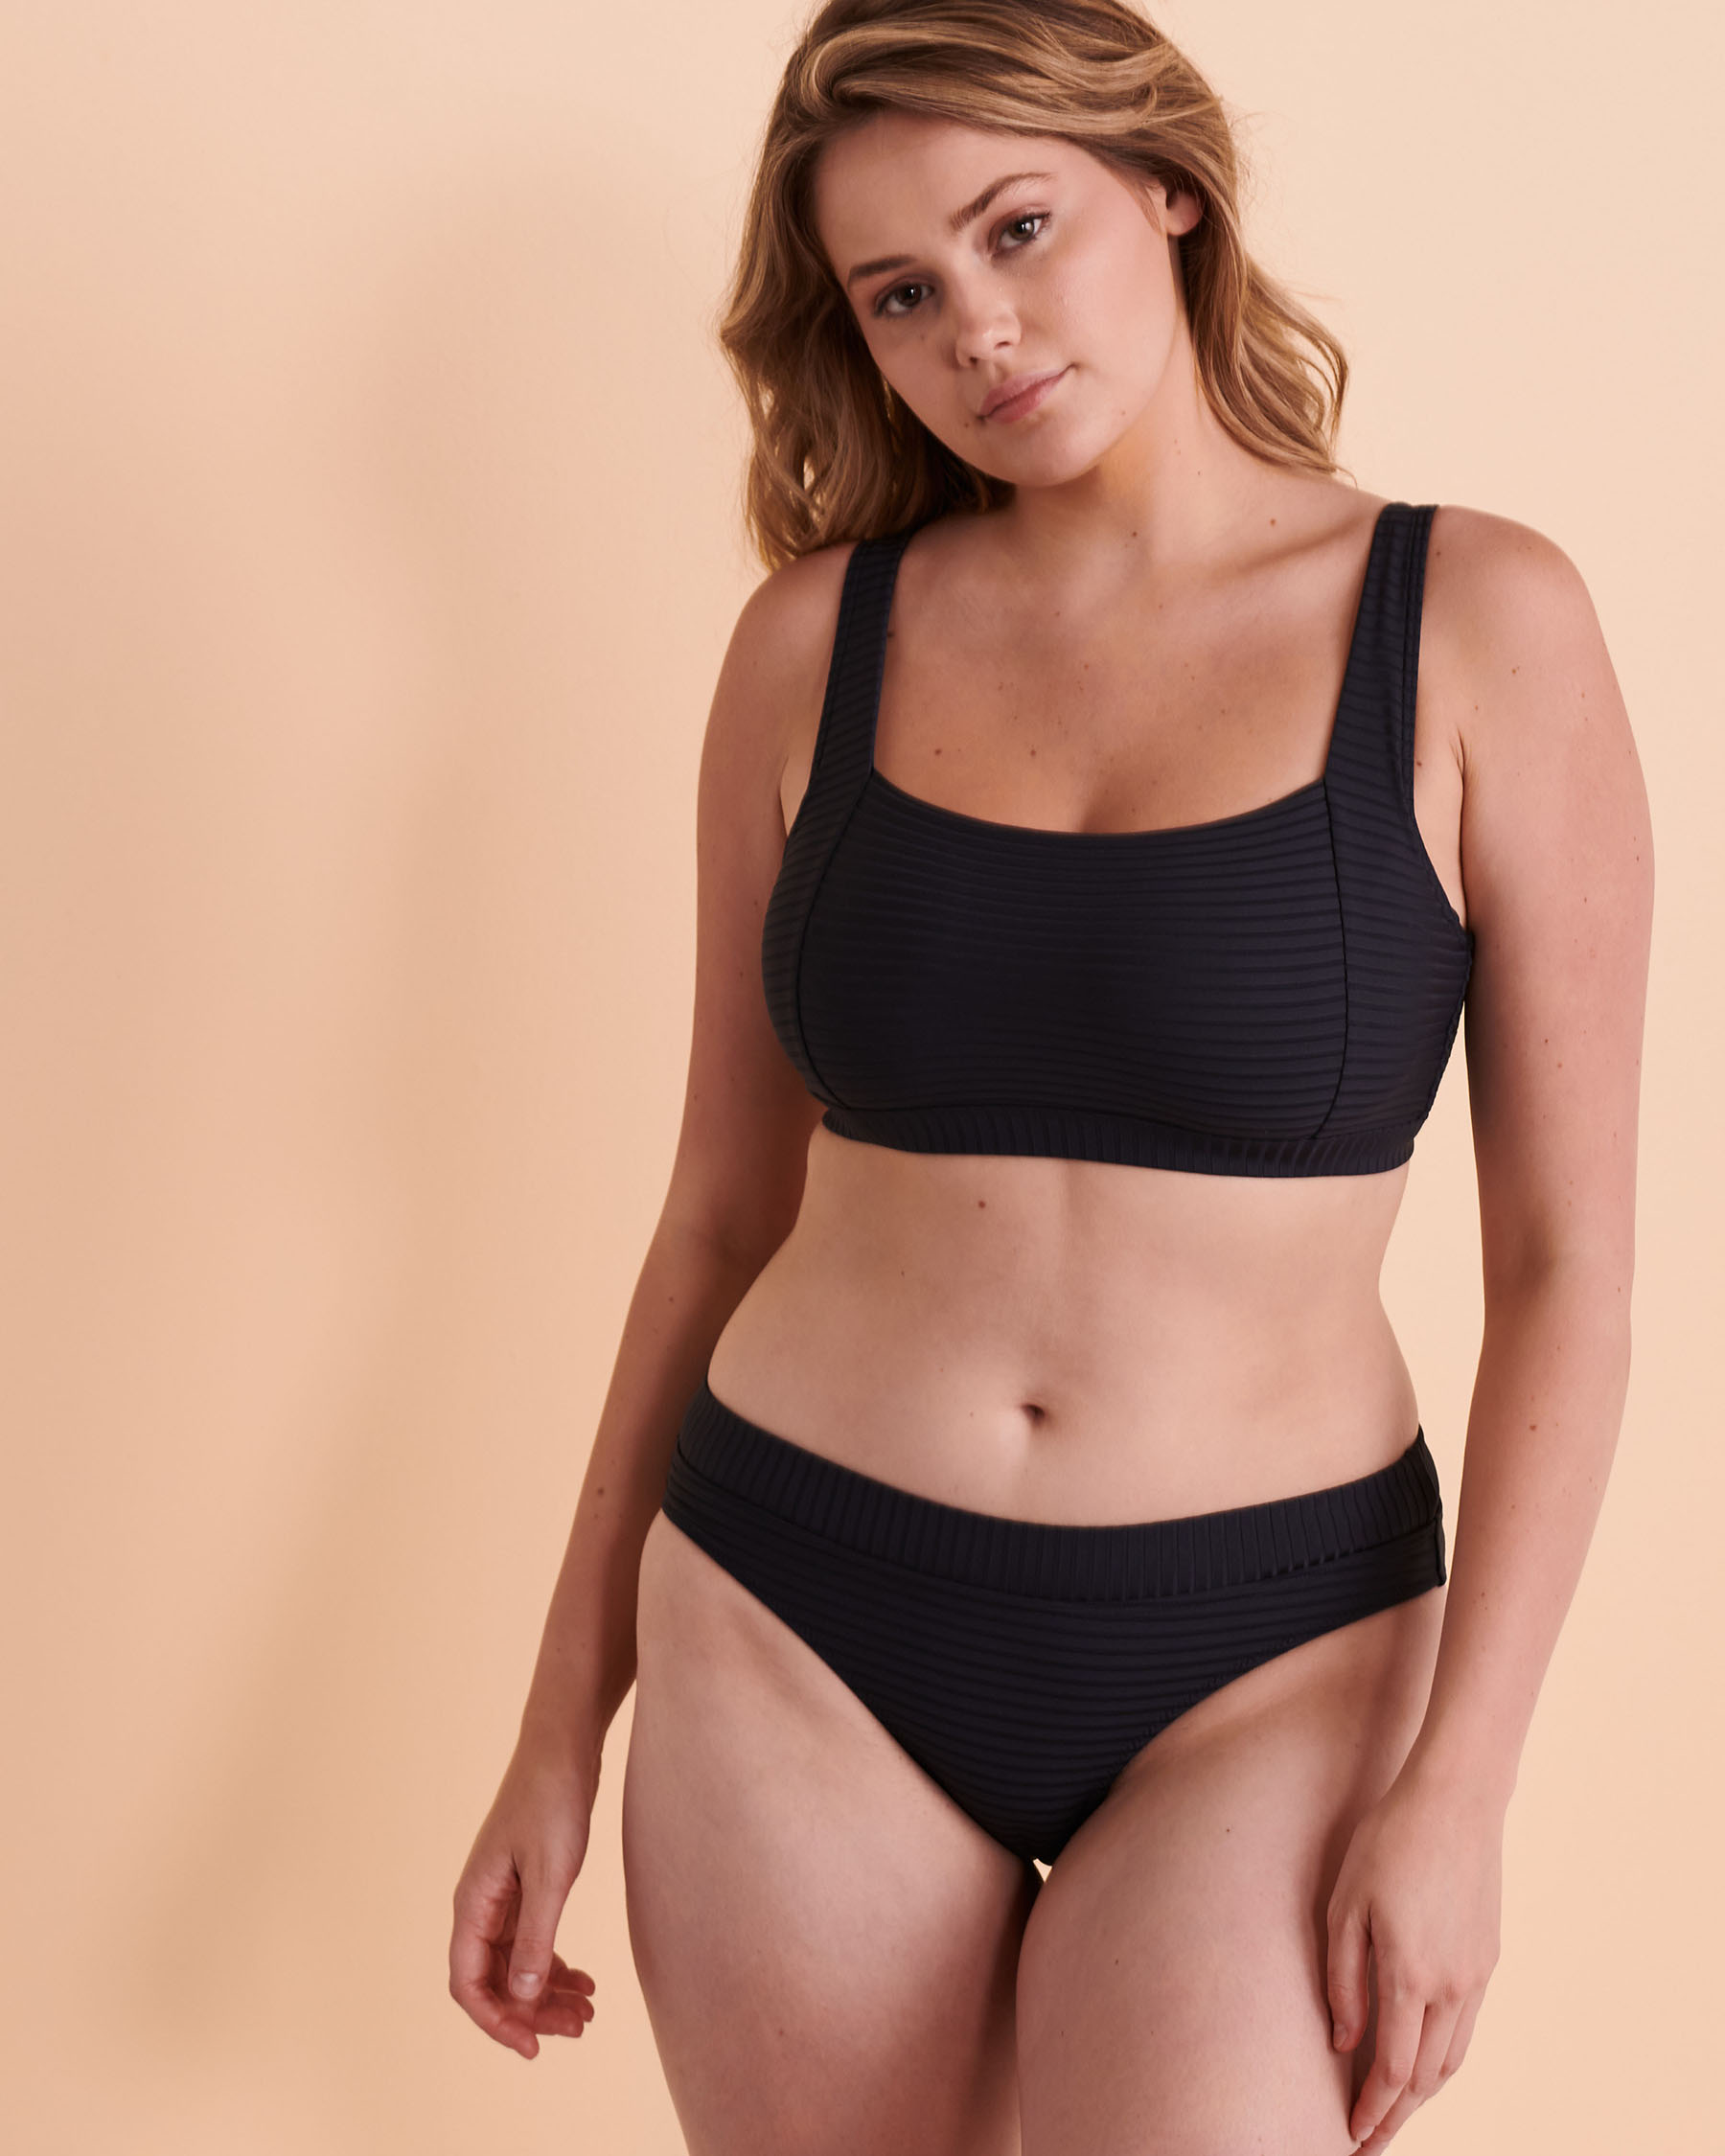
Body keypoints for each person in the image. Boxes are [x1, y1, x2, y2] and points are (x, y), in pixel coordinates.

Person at [448, 2, 1653, 2148]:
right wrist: (558, 1728)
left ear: (1169, 188)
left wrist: (1463, 1788)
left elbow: (1568, 1262)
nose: (977, 331)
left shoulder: (1477, 623)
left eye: (1017, 230)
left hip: (1270, 1654)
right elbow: (717, 1210)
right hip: (793, 1615)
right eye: (899, 295)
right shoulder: (814, 645)